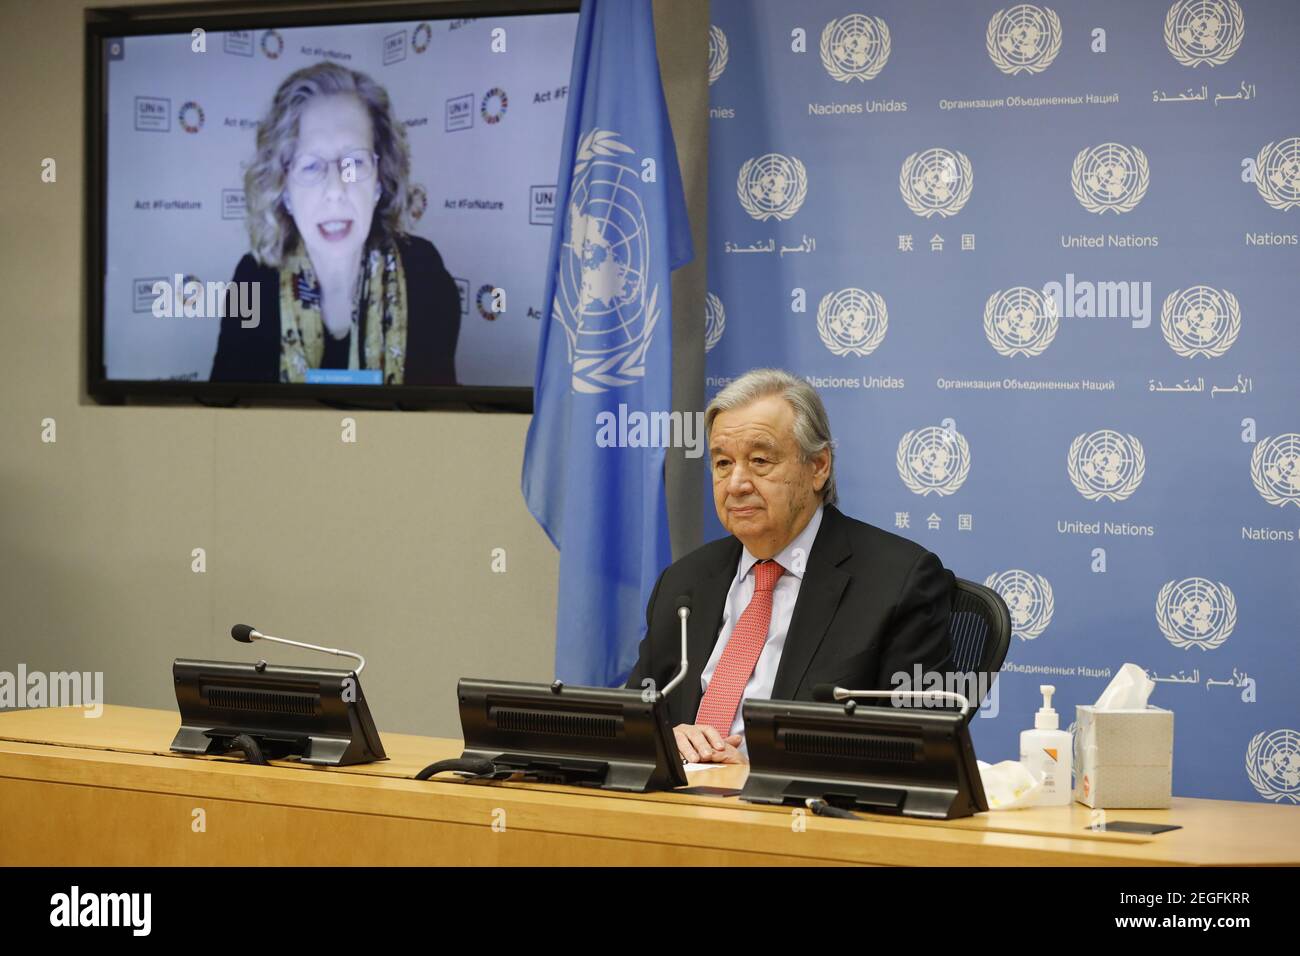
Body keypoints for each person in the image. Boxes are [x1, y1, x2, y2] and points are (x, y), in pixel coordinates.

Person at [626, 368, 955, 764]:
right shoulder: (685, 581)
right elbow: (632, 718)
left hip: (803, 815)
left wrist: (761, 765)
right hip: (675, 812)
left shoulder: (898, 582)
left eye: (760, 460)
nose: (736, 484)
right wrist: (662, 739)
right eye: (723, 463)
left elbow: (916, 747)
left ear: (818, 467)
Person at [211, 62, 460, 385]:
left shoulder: (425, 272)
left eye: (355, 162)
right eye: (311, 166)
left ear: (379, 182)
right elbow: (225, 420)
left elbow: (439, 424)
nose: (335, 190)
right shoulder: (251, 282)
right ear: (284, 189)